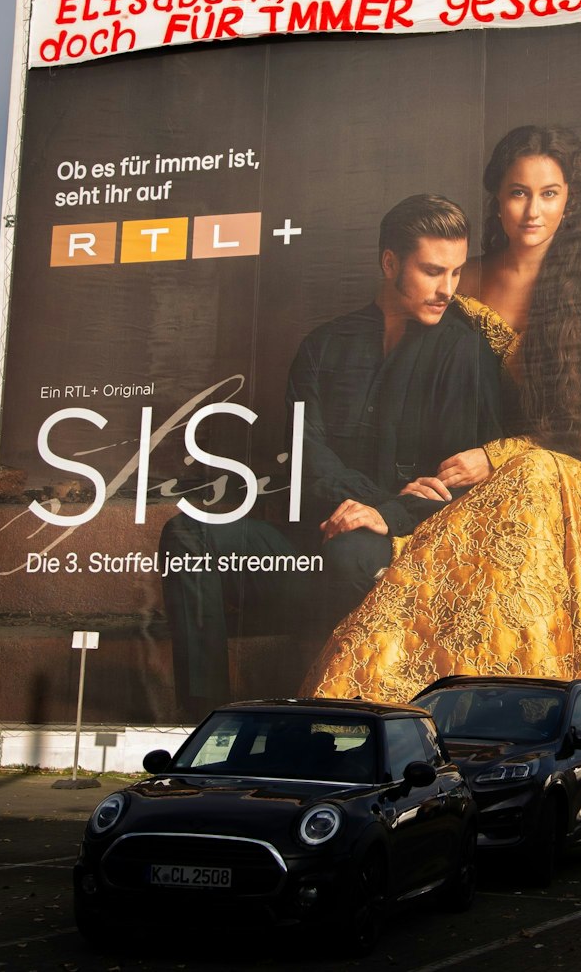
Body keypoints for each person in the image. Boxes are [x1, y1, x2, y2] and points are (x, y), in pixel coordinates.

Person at [304, 125, 581, 736]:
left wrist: (499, 455)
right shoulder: (458, 280)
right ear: (496, 198)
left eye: (550, 194)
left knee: (540, 479)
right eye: (519, 193)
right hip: (465, 466)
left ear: (570, 200)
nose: (533, 210)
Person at [161, 194, 502, 717]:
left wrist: (385, 515)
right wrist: (373, 503)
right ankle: (204, 721)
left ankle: (338, 713)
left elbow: (459, 483)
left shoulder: (464, 352)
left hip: (399, 553)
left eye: (455, 272)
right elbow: (307, 459)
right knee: (188, 535)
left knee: (352, 555)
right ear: (390, 262)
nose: (447, 289)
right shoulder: (323, 346)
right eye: (433, 271)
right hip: (311, 549)